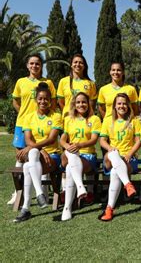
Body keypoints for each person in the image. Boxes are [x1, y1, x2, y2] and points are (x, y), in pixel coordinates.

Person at [9, 53, 57, 205]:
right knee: (21, 156)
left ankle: (42, 191)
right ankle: (17, 193)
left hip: (42, 123)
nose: (34, 66)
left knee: (41, 154)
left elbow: (53, 102)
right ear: (27, 65)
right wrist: (24, 113)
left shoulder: (47, 82)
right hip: (23, 123)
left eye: (37, 63)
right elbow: (15, 101)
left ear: (41, 66)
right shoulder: (21, 82)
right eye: (32, 63)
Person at [13, 83, 62, 222]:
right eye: (40, 98)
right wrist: (40, 150)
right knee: (31, 159)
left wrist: (39, 150)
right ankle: (39, 195)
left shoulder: (56, 116)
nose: (43, 101)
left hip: (52, 157)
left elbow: (52, 139)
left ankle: (26, 208)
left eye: (46, 99)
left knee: (29, 162)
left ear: (50, 100)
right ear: (36, 99)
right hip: (36, 158)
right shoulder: (29, 117)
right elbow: (28, 139)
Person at [99, 93, 141, 221]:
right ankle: (128, 184)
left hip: (128, 159)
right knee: (113, 154)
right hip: (111, 157)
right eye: (119, 103)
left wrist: (130, 153)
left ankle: (109, 209)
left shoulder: (134, 121)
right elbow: (102, 140)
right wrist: (109, 148)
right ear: (115, 106)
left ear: (128, 106)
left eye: (124, 103)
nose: (122, 106)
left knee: (114, 172)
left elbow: (138, 141)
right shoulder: (108, 120)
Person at [60, 92, 102, 221]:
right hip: (70, 153)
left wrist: (79, 145)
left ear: (88, 103)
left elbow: (94, 140)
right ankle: (80, 187)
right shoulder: (68, 119)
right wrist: (68, 147)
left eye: (84, 102)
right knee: (71, 155)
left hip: (87, 157)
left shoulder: (94, 119)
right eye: (78, 102)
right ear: (74, 104)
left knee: (69, 169)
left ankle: (67, 208)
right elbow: (62, 140)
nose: (81, 104)